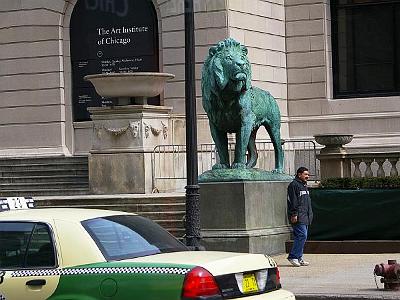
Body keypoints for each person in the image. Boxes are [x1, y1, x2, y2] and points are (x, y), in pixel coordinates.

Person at [287, 167, 313, 267]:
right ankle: (293, 256)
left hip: (304, 215)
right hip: (298, 216)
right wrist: (294, 214)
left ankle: (299, 257)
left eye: (308, 174)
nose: (307, 176)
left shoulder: (303, 185)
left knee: (302, 236)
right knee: (302, 235)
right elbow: (293, 201)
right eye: (305, 174)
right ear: (299, 174)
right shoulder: (294, 185)